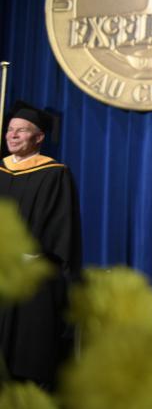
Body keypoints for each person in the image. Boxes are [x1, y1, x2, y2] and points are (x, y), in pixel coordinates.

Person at [0, 101, 81, 388]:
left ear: (39, 138)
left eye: (22, 131)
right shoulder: (0, 170)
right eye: (10, 130)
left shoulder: (54, 174)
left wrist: (35, 252)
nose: (13, 135)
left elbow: (62, 226)